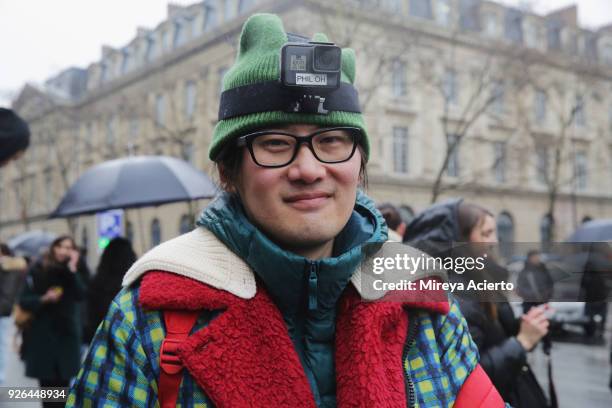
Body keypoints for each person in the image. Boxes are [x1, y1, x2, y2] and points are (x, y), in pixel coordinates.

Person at [68, 14, 505, 407]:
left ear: (360, 162)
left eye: (333, 140)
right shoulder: (149, 317)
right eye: (275, 143)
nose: (310, 169)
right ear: (228, 170)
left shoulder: (422, 301)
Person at [405, 199, 552, 408]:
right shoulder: (457, 294)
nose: (493, 242)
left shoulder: (480, 279)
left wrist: (527, 327)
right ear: (461, 239)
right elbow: (470, 375)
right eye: (485, 233)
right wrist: (521, 343)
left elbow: (495, 333)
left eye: (494, 232)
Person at [18, 235, 86, 407]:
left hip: (66, 337)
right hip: (43, 338)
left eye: (69, 247)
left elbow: (81, 294)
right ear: (53, 248)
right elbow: (23, 300)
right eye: (61, 246)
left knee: (63, 392)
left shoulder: (76, 270)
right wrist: (44, 299)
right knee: (48, 393)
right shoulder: (38, 269)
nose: (64, 250)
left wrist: (72, 270)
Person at [84, 237, 136, 343]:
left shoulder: (97, 283)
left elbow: (91, 317)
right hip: (128, 340)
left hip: (101, 338)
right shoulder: (134, 284)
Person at [0, 243, 28, 385]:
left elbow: (7, 293)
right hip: (7, 310)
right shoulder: (14, 267)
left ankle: (1, 376)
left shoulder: (8, 267)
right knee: (2, 343)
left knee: (2, 344)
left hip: (4, 311)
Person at [517, 250, 554, 314]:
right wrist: (532, 296)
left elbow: (550, 284)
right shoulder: (524, 272)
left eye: (538, 257)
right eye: (535, 257)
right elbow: (521, 288)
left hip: (543, 303)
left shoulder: (544, 270)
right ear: (529, 258)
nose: (537, 259)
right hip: (529, 304)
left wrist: (547, 295)